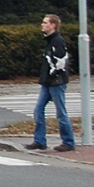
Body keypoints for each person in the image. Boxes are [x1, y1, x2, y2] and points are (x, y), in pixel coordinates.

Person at [27, 14, 76, 152]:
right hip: (48, 82)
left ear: (53, 25)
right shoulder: (49, 40)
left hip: (56, 82)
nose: (42, 25)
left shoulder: (57, 41)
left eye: (45, 22)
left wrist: (52, 74)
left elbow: (61, 61)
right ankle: (39, 141)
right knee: (38, 109)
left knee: (61, 112)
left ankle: (68, 142)